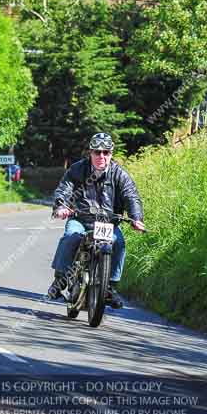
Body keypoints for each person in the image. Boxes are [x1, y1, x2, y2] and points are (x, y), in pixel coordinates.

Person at [47, 132, 145, 308]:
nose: (101, 156)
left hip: (108, 224)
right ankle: (60, 280)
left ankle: (110, 287)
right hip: (80, 219)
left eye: (106, 152)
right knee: (71, 237)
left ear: (111, 154)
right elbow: (64, 189)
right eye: (97, 152)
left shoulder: (119, 174)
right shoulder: (77, 169)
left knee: (119, 243)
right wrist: (61, 206)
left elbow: (131, 196)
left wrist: (136, 218)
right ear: (90, 153)